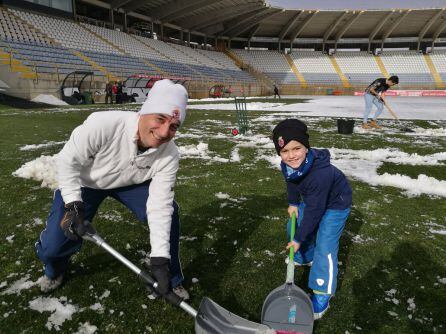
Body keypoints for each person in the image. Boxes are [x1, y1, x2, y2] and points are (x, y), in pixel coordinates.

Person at [36, 79, 190, 301]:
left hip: (131, 184)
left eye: (174, 126)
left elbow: (160, 206)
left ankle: (169, 276)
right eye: (160, 119)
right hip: (86, 183)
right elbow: (68, 162)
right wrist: (73, 204)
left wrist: (159, 258)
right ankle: (54, 271)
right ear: (145, 112)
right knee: (54, 246)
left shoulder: (169, 154)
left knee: (170, 213)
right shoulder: (103, 124)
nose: (164, 131)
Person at [272, 119, 352, 319]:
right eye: (285, 151)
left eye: (296, 148)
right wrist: (293, 202)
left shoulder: (320, 174)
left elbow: (316, 212)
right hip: (314, 198)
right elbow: (291, 181)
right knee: (294, 222)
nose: (291, 156)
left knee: (325, 245)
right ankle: (305, 256)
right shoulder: (287, 164)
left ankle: (322, 294)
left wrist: (298, 239)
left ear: (306, 147)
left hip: (335, 204)